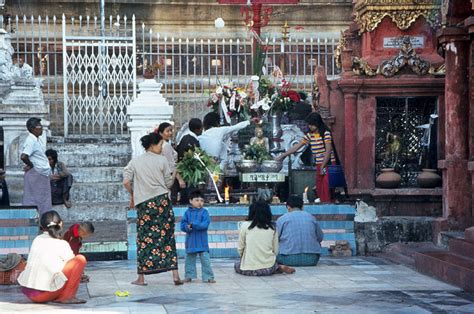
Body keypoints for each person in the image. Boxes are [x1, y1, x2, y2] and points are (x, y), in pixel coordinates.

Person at [123, 132, 184, 286]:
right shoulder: (162, 160)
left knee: (144, 239)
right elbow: (168, 184)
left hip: (144, 204)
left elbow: (126, 181)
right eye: (160, 145)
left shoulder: (135, 162)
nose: (162, 148)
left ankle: (141, 278)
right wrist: (175, 171)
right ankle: (175, 275)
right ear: (152, 145)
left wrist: (133, 194)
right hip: (162, 202)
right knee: (168, 237)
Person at [17, 210, 87, 304]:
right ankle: (68, 297)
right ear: (60, 224)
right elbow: (72, 266)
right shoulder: (62, 243)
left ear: (42, 226)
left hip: (29, 293)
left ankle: (60, 294)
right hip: (44, 294)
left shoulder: (37, 239)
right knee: (80, 260)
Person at [276, 112, 335, 202]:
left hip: (328, 164)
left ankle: (327, 203)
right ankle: (323, 202)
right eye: (309, 125)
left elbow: (328, 151)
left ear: (317, 123)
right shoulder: (309, 135)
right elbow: (296, 147)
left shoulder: (326, 134)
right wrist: (283, 155)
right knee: (319, 186)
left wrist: (323, 165)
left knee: (326, 185)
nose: (310, 126)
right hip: (319, 164)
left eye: (312, 125)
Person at [234, 201, 295, 276]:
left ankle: (277, 267)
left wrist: (245, 258)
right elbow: (275, 251)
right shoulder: (272, 227)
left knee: (236, 265)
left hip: (248, 269)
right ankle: (278, 267)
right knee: (272, 264)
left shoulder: (245, 226)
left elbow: (240, 248)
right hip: (268, 268)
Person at [276, 195, 324, 266]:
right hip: (312, 259)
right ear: (302, 207)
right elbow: (320, 237)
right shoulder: (311, 218)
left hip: (287, 259)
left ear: (288, 207)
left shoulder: (282, 219)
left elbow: (275, 238)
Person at [180, 190, 215, 283]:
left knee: (206, 260)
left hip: (202, 242)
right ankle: (189, 276)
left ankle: (209, 276)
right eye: (197, 200)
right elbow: (183, 225)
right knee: (189, 261)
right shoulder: (187, 213)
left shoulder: (205, 212)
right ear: (190, 201)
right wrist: (187, 227)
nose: (199, 203)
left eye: (201, 201)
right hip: (191, 242)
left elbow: (205, 225)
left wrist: (193, 224)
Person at [21, 117, 52, 215]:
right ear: (32, 128)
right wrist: (31, 166)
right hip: (37, 173)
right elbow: (24, 156)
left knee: (43, 199)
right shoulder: (31, 141)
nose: (41, 128)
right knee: (34, 200)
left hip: (41, 173)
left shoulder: (36, 140)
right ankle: (34, 221)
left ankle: (42, 221)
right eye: (39, 126)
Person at [157, 122, 186, 204]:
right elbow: (171, 165)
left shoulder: (162, 144)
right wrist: (180, 179)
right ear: (160, 133)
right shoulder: (166, 146)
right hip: (170, 177)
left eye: (171, 130)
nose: (170, 133)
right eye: (167, 131)